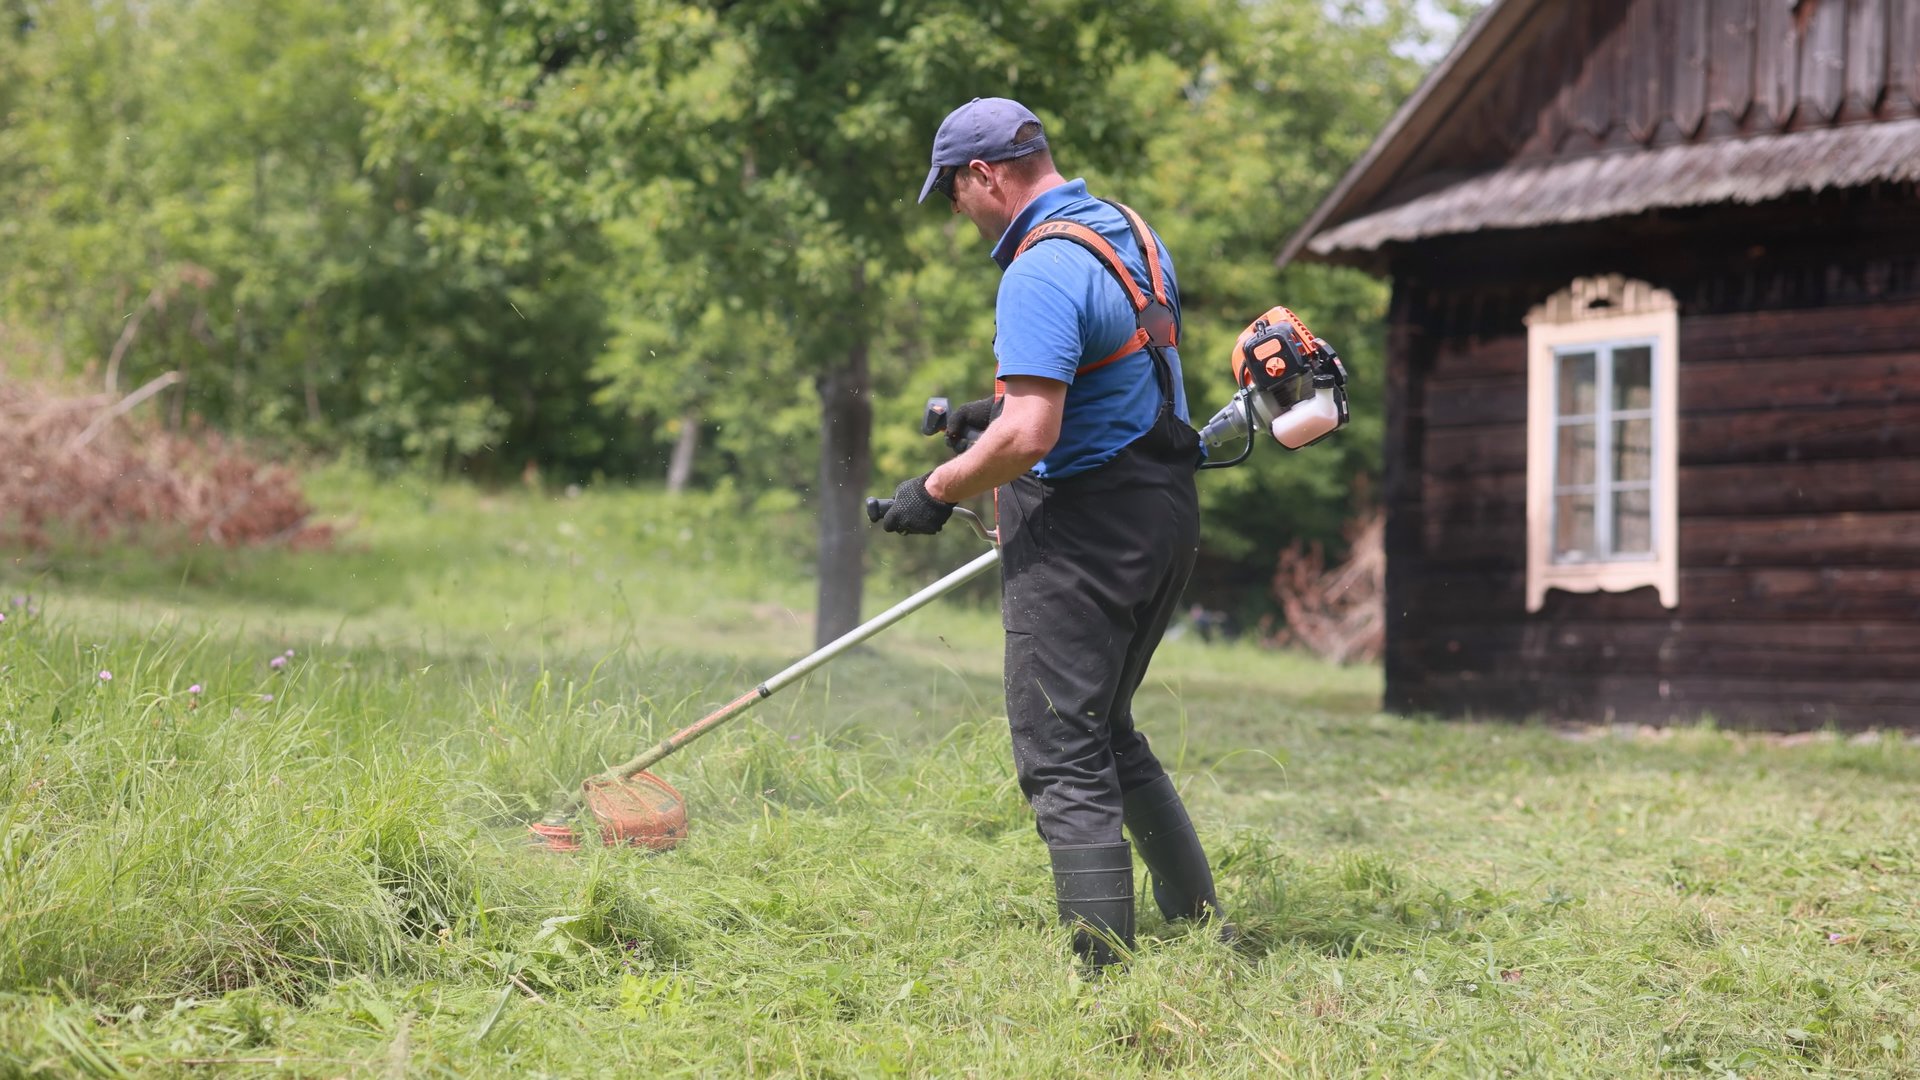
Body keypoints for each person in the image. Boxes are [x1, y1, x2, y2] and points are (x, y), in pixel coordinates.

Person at [878, 97, 1222, 969]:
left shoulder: (1036, 269)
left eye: (954, 195)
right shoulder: (1129, 235)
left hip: (1086, 532)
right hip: (1166, 514)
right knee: (1106, 729)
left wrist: (933, 488)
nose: (960, 216)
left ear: (984, 175)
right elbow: (1114, 371)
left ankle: (1104, 978)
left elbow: (1034, 438)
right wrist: (986, 415)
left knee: (1061, 750)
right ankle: (1197, 925)